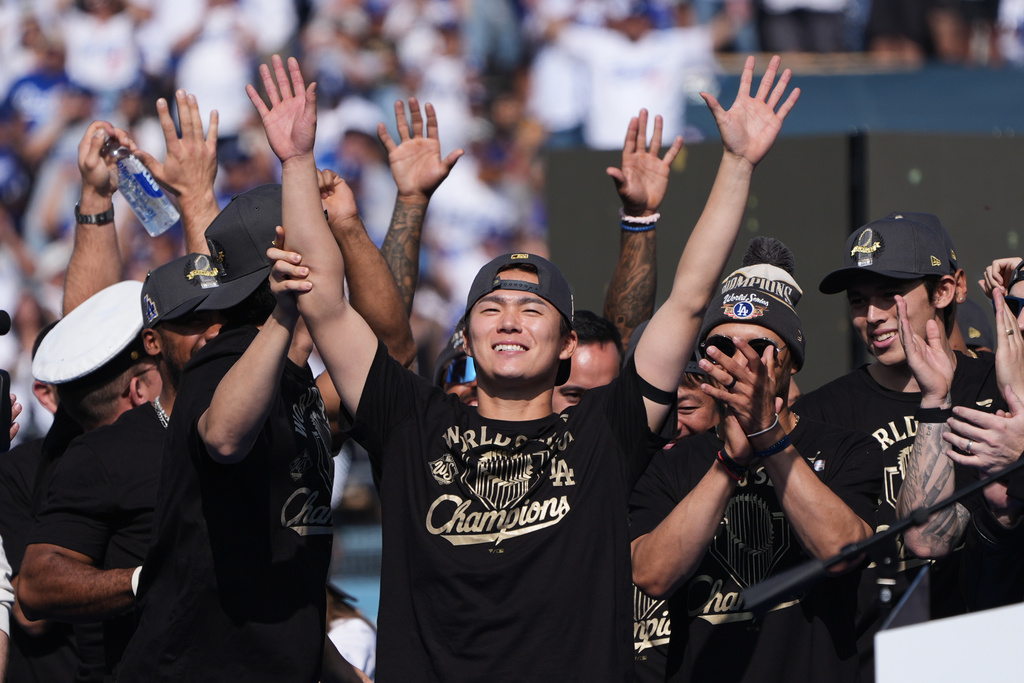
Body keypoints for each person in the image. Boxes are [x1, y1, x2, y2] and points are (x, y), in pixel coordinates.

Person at [253, 51, 798, 680]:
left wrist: (736, 163)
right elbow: (322, 298)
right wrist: (295, 161)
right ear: (467, 333)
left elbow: (688, 299)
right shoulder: (411, 421)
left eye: (532, 309)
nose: (510, 320)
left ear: (568, 345)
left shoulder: (605, 429)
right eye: (492, 308)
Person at [630, 238, 879, 682]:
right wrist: (728, 463)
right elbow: (652, 574)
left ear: (791, 362)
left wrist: (768, 437)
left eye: (759, 346)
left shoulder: (846, 448)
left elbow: (843, 552)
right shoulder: (674, 463)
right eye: (722, 345)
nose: (739, 359)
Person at [794, 213, 1004, 679]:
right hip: (872, 661)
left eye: (890, 295)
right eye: (858, 301)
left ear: (945, 291)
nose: (872, 316)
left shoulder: (1001, 386)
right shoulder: (823, 412)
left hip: (993, 652)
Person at [18, 252, 224, 678]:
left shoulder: (241, 421)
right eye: (191, 323)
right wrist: (146, 579)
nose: (215, 334)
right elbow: (35, 585)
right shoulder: (94, 458)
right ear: (139, 385)